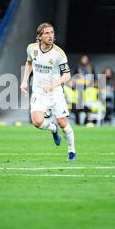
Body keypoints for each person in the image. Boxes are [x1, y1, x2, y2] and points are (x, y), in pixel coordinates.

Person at [20, 23, 76, 161]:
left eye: (52, 32)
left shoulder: (59, 53)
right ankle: (53, 129)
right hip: (39, 92)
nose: (50, 36)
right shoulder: (31, 48)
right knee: (37, 122)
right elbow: (29, 63)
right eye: (46, 33)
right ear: (39, 36)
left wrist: (52, 86)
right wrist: (24, 81)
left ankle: (72, 150)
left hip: (55, 92)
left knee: (63, 122)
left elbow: (67, 75)